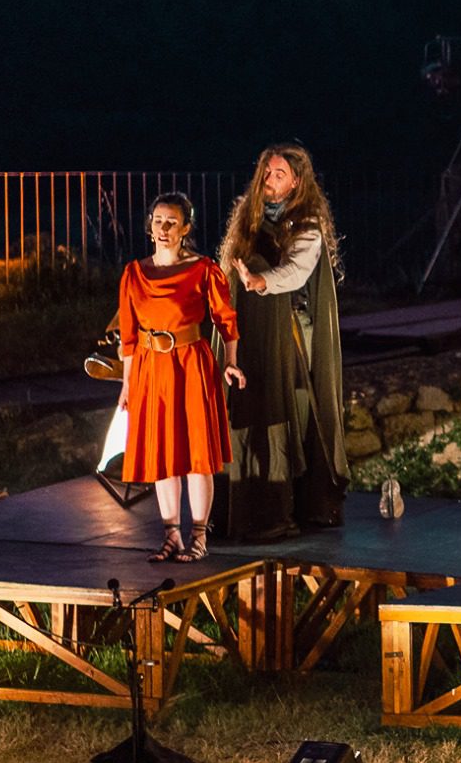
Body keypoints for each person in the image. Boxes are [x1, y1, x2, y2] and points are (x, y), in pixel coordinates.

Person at [218, 143, 348, 541]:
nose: (271, 181)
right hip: (253, 331)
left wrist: (262, 281)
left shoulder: (304, 224)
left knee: (295, 406)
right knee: (249, 404)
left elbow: (294, 271)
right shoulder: (248, 217)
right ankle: (244, 503)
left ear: (296, 181)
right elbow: (231, 270)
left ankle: (295, 502)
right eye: (267, 173)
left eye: (279, 174)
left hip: (291, 327)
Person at [115, 191, 244, 561]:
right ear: (149, 226)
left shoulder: (202, 270)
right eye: (158, 221)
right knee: (162, 453)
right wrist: (127, 385)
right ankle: (172, 534)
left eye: (172, 222)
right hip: (149, 368)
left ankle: (199, 535)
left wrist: (231, 361)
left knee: (195, 453)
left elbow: (226, 320)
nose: (163, 228)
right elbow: (127, 335)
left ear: (185, 228)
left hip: (190, 365)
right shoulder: (134, 274)